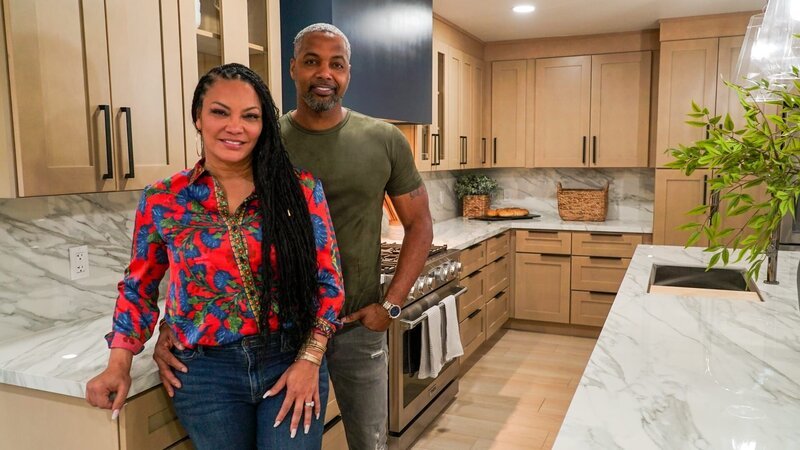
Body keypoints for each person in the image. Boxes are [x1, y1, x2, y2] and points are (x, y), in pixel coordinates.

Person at [154, 23, 434, 449]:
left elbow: (419, 224)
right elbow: (208, 229)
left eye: (335, 64)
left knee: (369, 439)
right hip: (281, 337)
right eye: (311, 61)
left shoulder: (384, 139)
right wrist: (172, 323)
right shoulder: (264, 139)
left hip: (359, 324)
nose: (324, 73)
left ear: (347, 74)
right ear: (293, 69)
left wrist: (391, 306)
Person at [85, 63, 345, 450]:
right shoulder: (164, 199)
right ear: (198, 118)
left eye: (250, 116)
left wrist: (310, 359)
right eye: (220, 112)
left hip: (290, 357)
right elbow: (138, 286)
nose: (235, 127)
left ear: (264, 125)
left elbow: (329, 281)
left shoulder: (300, 190)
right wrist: (118, 365)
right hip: (204, 374)